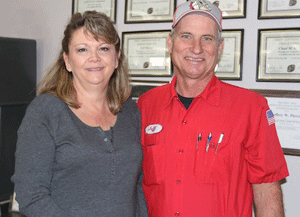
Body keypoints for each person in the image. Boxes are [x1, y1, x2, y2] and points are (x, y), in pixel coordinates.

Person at [137, 0, 289, 216]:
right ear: (170, 43)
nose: (196, 48)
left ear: (219, 47)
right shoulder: (145, 105)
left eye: (206, 38)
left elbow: (266, 187)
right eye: (186, 36)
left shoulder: (251, 107)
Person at [12, 11, 148, 217]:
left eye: (103, 48)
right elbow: (31, 196)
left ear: (117, 58)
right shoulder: (46, 111)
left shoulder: (130, 111)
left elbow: (138, 186)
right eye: (82, 49)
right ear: (67, 60)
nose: (94, 58)